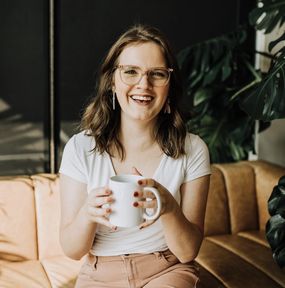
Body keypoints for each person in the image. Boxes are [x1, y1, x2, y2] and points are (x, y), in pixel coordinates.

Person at [59, 24, 211, 288]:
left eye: (157, 74)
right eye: (131, 72)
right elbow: (72, 250)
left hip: (167, 269)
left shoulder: (193, 149)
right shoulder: (80, 148)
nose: (144, 84)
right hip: (98, 274)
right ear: (112, 81)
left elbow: (188, 252)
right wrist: (87, 213)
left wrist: (168, 206)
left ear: (169, 84)